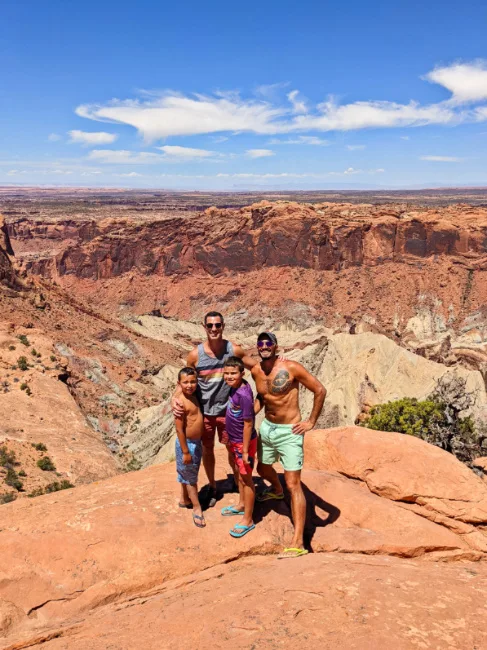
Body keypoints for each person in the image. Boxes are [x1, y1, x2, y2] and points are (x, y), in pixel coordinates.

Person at [251, 332, 326, 559]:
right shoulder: (256, 371)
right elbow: (262, 398)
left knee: (294, 484)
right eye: (261, 343)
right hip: (267, 428)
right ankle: (276, 489)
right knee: (262, 469)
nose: (264, 347)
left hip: (290, 431)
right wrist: (246, 415)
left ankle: (298, 542)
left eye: (268, 343)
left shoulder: (292, 368)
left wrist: (311, 421)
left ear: (275, 346)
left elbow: (320, 390)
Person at [172, 312, 256, 507]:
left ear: (223, 326)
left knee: (231, 448)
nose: (214, 329)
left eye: (217, 325)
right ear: (204, 327)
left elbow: (256, 368)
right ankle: (212, 486)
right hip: (205, 414)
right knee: (208, 450)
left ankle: (239, 482)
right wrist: (174, 399)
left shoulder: (233, 350)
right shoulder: (195, 355)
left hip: (228, 413)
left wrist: (276, 364)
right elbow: (185, 380)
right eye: (210, 326)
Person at [221, 356, 257, 538]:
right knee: (241, 477)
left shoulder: (243, 395)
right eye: (226, 373)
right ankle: (242, 504)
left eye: (233, 373)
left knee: (247, 478)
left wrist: (244, 451)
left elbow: (248, 423)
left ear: (242, 374)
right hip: (235, 440)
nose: (229, 376)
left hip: (244, 443)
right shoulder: (235, 388)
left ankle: (248, 519)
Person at [174, 367, 206, 528]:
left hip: (195, 442)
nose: (189, 385)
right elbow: (179, 429)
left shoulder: (193, 396)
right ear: (179, 384)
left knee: (185, 474)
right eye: (185, 382)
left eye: (193, 382)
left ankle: (184, 499)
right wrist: (186, 451)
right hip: (187, 445)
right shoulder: (181, 402)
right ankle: (197, 508)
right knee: (191, 479)